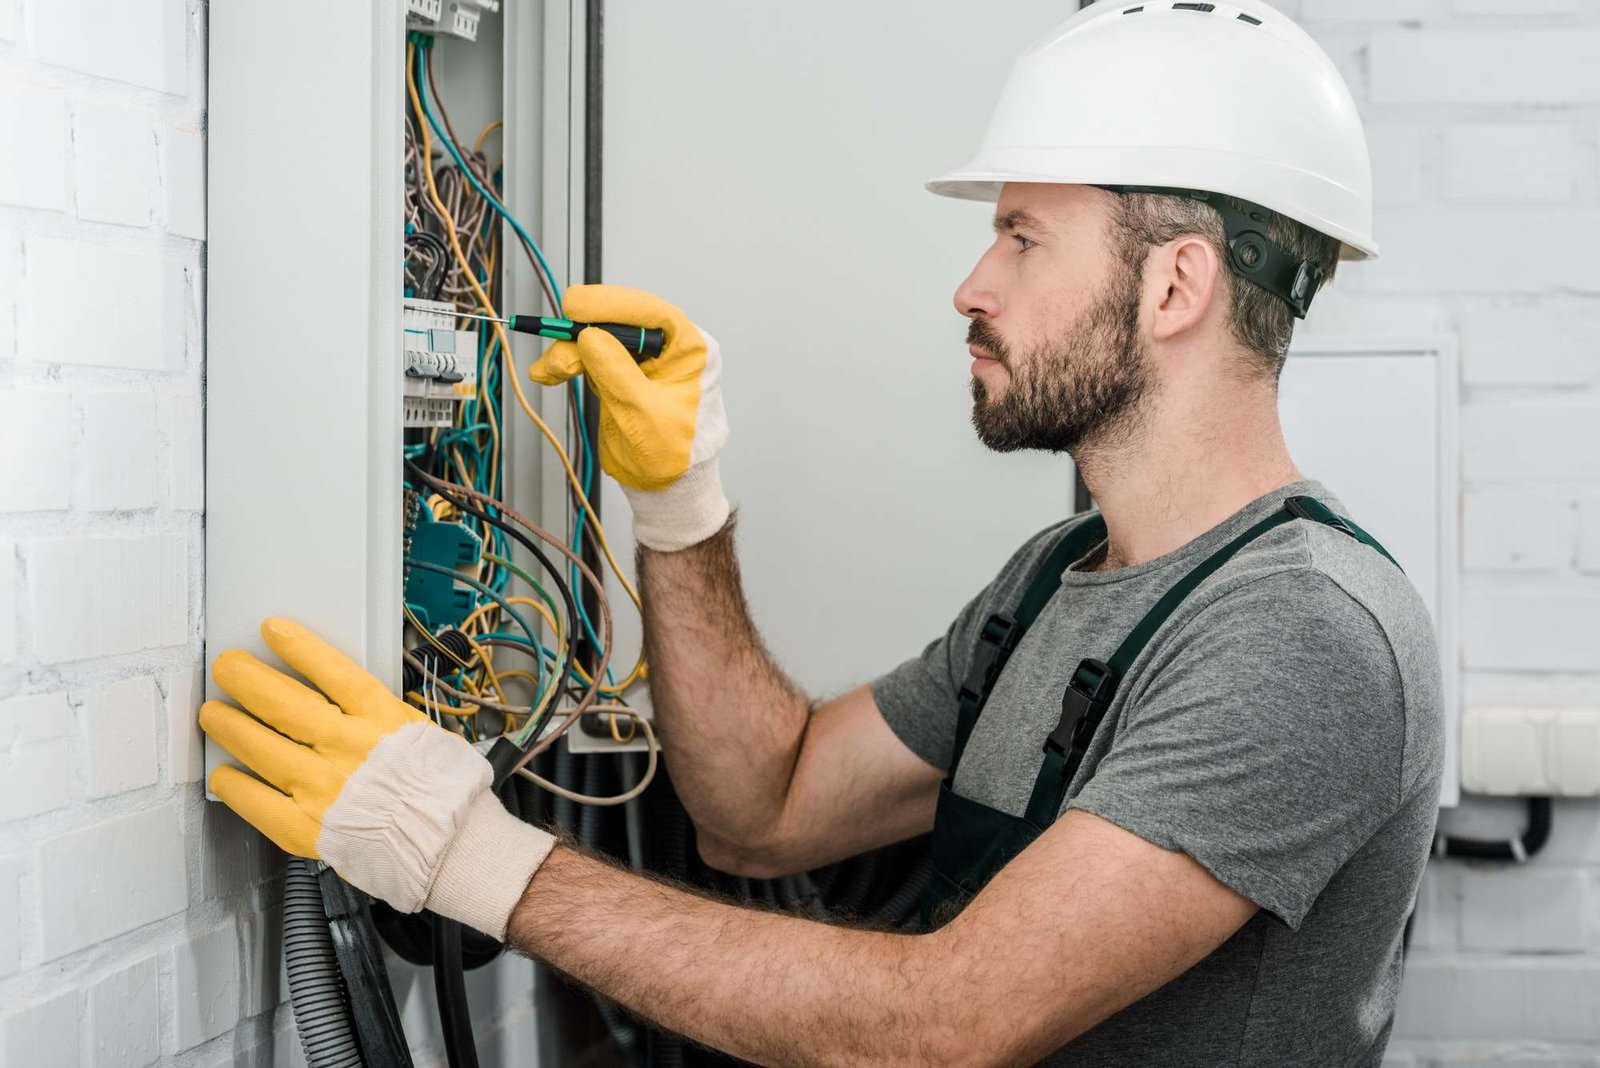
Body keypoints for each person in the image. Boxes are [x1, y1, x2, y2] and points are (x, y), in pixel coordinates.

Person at [200, 2, 1444, 1063]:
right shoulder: (1062, 578)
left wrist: (470, 859)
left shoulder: (1301, 633)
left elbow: (949, 1025)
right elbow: (767, 804)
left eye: (1021, 236)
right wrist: (682, 507)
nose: (972, 282)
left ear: (1175, 287)